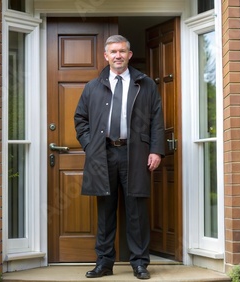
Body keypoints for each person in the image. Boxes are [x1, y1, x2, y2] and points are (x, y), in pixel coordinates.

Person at [74, 35, 165, 280]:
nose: (118, 56)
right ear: (106, 56)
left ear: (129, 54)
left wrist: (156, 150)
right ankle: (104, 263)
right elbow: (80, 120)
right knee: (105, 212)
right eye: (113, 52)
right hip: (103, 155)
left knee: (136, 211)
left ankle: (139, 263)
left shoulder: (145, 84)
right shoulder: (93, 86)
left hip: (135, 154)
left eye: (122, 51)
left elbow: (157, 119)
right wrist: (90, 145)